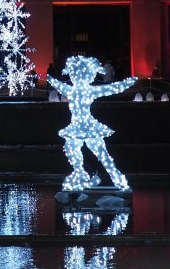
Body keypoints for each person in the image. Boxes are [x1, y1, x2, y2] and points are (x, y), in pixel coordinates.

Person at [48, 56, 136, 192]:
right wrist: (49, 79)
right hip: (77, 128)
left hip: (88, 128)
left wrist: (127, 83)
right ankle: (80, 172)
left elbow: (112, 88)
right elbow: (57, 85)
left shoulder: (85, 91)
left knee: (103, 155)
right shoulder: (72, 91)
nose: (79, 77)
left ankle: (120, 183)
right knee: (72, 148)